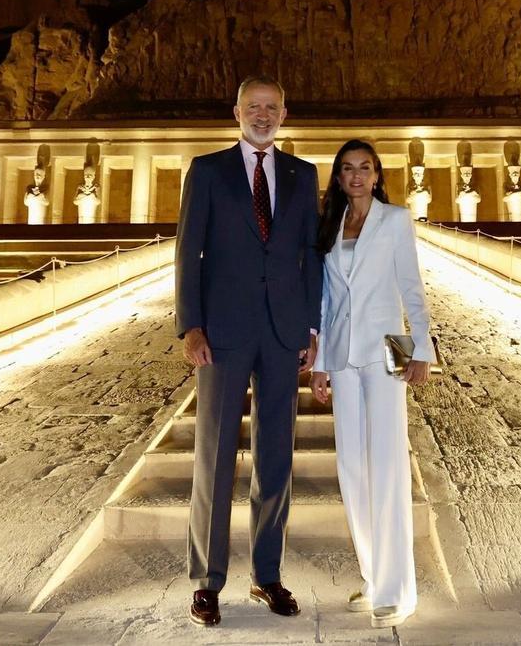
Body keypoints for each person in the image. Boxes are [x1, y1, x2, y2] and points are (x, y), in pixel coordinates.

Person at [175, 75, 322, 627]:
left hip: (284, 332)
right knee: (213, 458)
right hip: (223, 333)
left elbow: (313, 255)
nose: (263, 115)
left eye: (272, 107)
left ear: (285, 113)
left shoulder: (302, 176)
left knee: (276, 459)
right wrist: (190, 326)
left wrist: (313, 328)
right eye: (253, 107)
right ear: (236, 111)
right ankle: (207, 582)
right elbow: (189, 252)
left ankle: (267, 576)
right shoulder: (208, 171)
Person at [310, 139, 434, 629]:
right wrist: (319, 361)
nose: (356, 176)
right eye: (347, 169)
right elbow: (324, 297)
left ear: (378, 176)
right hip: (341, 354)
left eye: (365, 168)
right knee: (351, 467)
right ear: (339, 178)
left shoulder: (396, 220)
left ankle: (397, 590)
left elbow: (412, 289)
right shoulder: (331, 226)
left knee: (386, 465)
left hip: (387, 352)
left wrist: (421, 351)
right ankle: (372, 575)